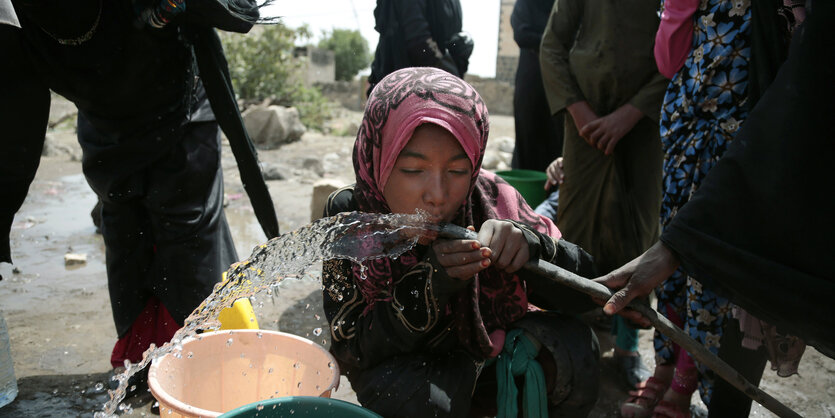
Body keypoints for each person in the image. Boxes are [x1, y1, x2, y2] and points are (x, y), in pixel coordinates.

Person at [0, 0, 266, 389]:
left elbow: (243, 13)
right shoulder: (14, 18)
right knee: (126, 241)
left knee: (189, 240)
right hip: (105, 126)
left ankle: (211, 370)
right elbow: (15, 123)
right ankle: (142, 365)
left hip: (180, 109)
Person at [322, 67, 604, 417]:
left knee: (576, 349)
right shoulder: (350, 215)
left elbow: (587, 292)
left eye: (457, 171)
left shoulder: (491, 197)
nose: (438, 196)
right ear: (378, 157)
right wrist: (430, 283)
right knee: (416, 400)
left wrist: (531, 247)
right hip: (408, 369)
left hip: (488, 356)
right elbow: (350, 346)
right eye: (413, 170)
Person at [597, 0, 833, 416]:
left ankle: (689, 385)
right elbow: (669, 62)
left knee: (710, 277)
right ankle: (666, 369)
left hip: (741, 140)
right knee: (670, 262)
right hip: (685, 133)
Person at [539, 0, 668, 393]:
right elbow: (551, 47)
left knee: (640, 233)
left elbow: (678, 54)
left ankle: (627, 349)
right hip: (585, 127)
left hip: (644, 127)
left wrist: (631, 113)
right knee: (575, 228)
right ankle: (571, 339)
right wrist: (578, 112)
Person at [366, 0, 473, 96]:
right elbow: (417, 36)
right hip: (408, 83)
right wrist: (448, 74)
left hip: (437, 77)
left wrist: (462, 44)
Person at [509, 0, 563, 172]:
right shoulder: (526, 4)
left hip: (560, 81)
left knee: (558, 140)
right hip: (532, 80)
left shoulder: (563, 5)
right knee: (529, 136)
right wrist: (554, 45)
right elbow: (522, 34)